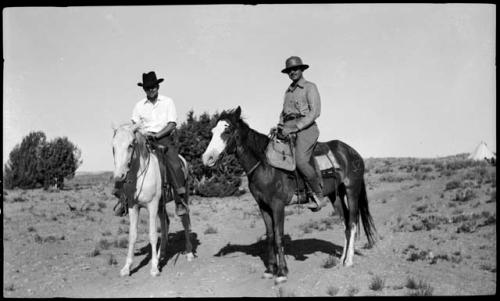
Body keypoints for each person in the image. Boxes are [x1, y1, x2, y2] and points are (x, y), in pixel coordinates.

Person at [112, 71, 188, 217]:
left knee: (175, 163)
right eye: (147, 88)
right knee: (126, 159)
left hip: (163, 137)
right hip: (143, 139)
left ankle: (179, 201)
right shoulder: (139, 106)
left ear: (158, 86)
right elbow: (134, 126)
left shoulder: (167, 102)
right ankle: (123, 198)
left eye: (153, 87)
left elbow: (172, 124)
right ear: (144, 89)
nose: (151, 90)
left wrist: (158, 135)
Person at [278, 56, 328, 211]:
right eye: (289, 70)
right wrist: (280, 126)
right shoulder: (288, 91)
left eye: (295, 69)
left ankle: (318, 196)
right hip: (287, 128)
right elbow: (284, 113)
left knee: (300, 160)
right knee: (274, 156)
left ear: (301, 70)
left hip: (306, 128)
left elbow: (315, 112)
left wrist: (296, 127)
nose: (292, 72)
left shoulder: (310, 87)